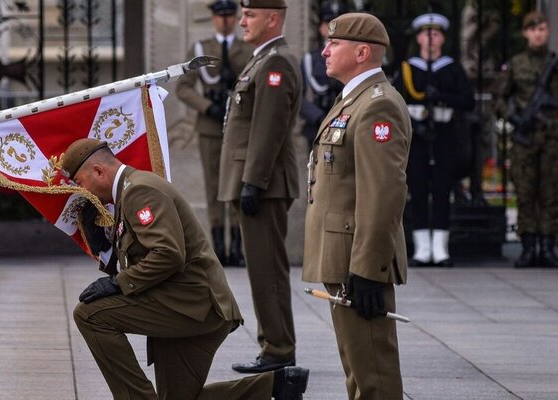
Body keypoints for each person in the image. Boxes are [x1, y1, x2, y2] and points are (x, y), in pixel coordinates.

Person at [65, 138, 309, 400]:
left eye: (80, 183)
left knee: (90, 314)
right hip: (187, 302)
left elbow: (168, 254)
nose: (82, 192)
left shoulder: (139, 191)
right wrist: (102, 247)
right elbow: (140, 257)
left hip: (193, 304)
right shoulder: (128, 192)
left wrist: (117, 283)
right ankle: (278, 387)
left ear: (99, 171)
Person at [303, 13, 410, 399]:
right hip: (342, 252)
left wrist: (368, 269)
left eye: (335, 44)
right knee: (358, 369)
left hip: (357, 258)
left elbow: (383, 194)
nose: (325, 50)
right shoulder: (353, 98)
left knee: (373, 376)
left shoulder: (377, 106)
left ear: (362, 52)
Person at [218, 0, 300, 374]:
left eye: (250, 15)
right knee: (262, 270)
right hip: (255, 182)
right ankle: (274, 344)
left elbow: (268, 128)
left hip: (262, 185)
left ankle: (278, 349)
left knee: (267, 270)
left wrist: (253, 181)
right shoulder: (261, 59)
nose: (242, 21)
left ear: (273, 18)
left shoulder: (275, 63)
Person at [392, 13, 473, 267]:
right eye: (426, 34)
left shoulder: (451, 67)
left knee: (441, 189)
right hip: (416, 135)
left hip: (443, 134)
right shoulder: (407, 69)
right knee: (417, 187)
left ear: (443, 39)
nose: (431, 39)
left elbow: (467, 101)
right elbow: (393, 101)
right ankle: (421, 249)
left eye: (436, 34)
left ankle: (440, 249)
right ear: (418, 38)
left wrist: (444, 96)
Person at [175, 0, 252, 266]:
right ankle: (219, 244)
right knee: (214, 185)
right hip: (210, 126)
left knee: (238, 184)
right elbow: (183, 88)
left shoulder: (247, 49)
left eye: (230, 15)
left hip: (239, 127)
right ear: (213, 19)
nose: (226, 20)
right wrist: (207, 107)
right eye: (221, 16)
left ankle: (238, 246)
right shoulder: (201, 50)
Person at [494, 11, 558, 268]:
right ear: (525, 33)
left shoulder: (554, 65)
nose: (538, 33)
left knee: (552, 193)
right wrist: (514, 117)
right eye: (533, 29)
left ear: (548, 31)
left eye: (542, 28)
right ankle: (529, 246)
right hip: (525, 138)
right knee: (525, 192)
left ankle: (549, 245)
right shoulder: (516, 64)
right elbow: (499, 99)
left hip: (552, 138)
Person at [299, 1, 345, 147]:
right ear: (322, 28)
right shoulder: (310, 60)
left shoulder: (354, 58)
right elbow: (299, 97)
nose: (334, 29)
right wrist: (319, 117)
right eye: (330, 24)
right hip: (317, 127)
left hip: (347, 124)